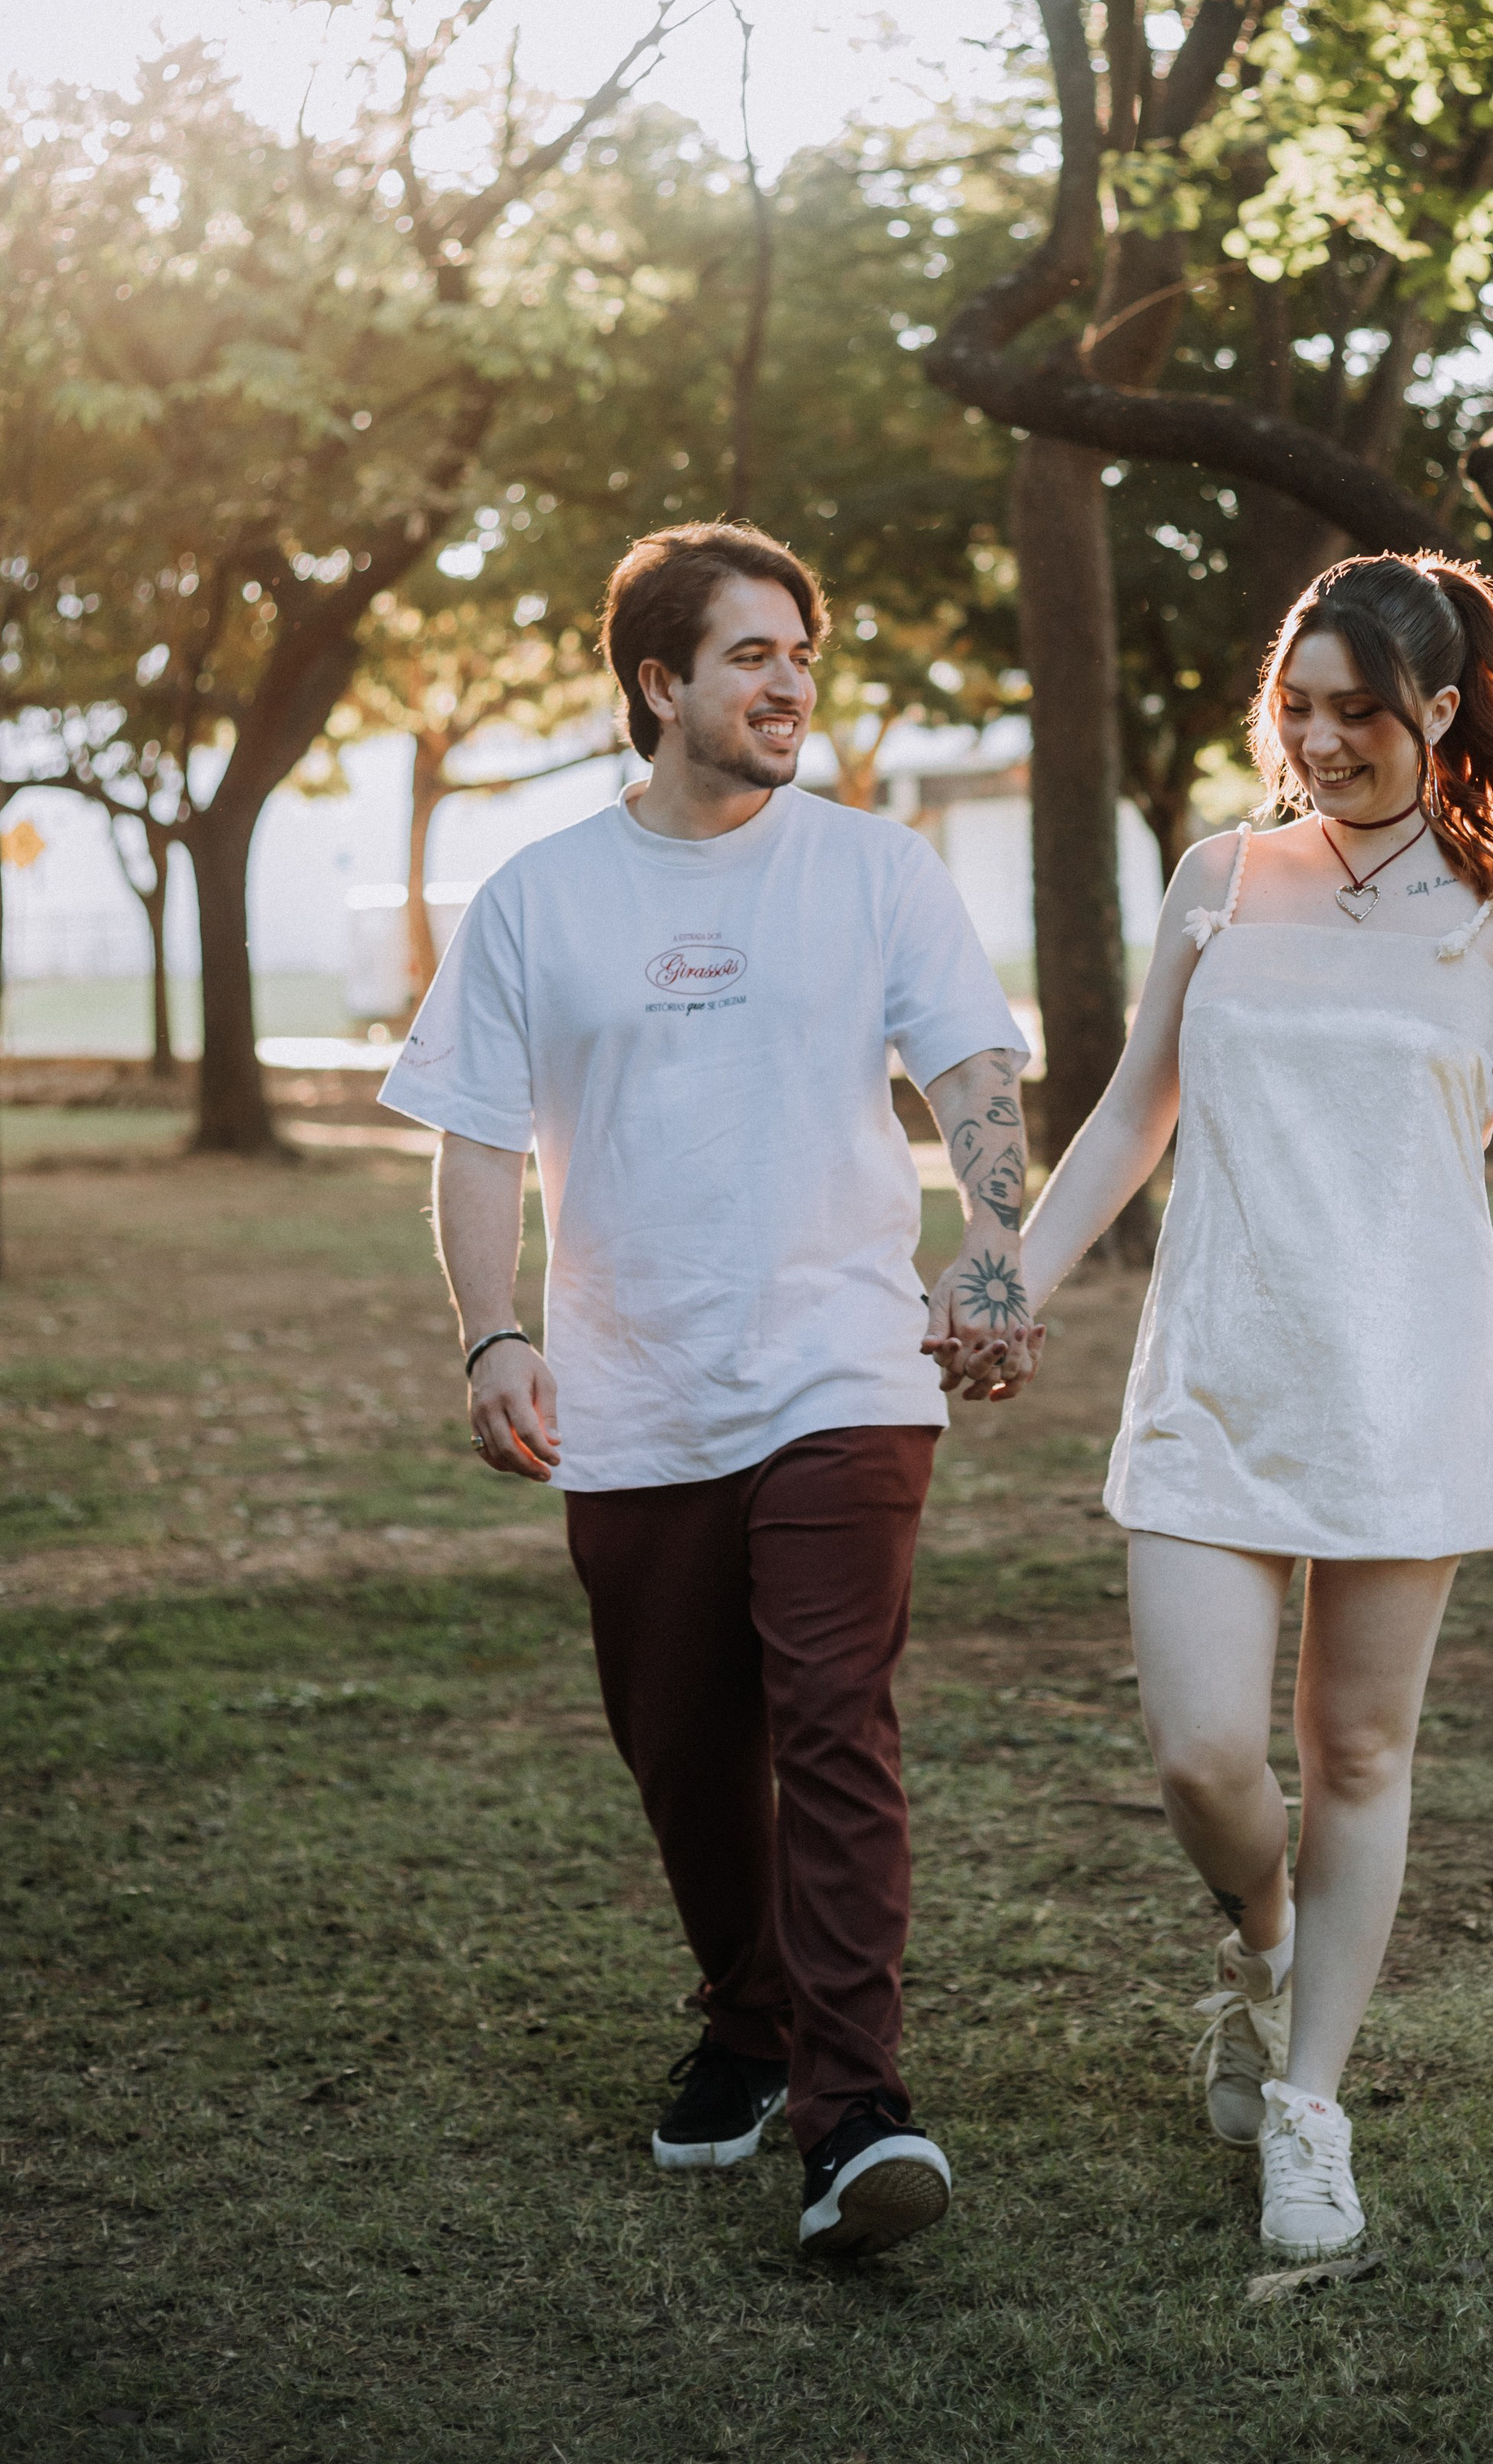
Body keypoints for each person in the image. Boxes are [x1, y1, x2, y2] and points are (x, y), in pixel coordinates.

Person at [379, 520, 1041, 2259]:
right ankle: (745, 2022)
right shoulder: (538, 899)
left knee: (835, 1721)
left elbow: (969, 1060)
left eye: (802, 655)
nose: (791, 684)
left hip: (842, 1361)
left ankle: (854, 2112)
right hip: (634, 1382)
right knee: (683, 1744)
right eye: (752, 655)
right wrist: (491, 1329)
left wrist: (990, 1237)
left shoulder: (873, 869)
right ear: (660, 682)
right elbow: (469, 1138)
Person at [1011, 552, 1493, 2262]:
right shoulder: (1218, 874)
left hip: (1408, 1387)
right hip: (1215, 1373)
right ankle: (1260, 1937)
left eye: (1351, 714)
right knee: (1202, 1751)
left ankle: (1308, 2103)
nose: (1314, 743)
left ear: (1438, 710)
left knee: (1356, 1749)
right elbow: (1130, 1105)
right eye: (1292, 710)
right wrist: (1009, 1273)